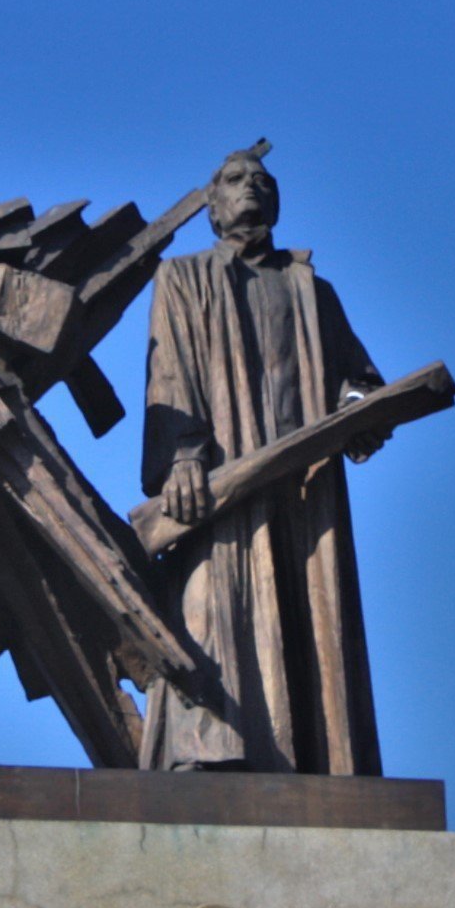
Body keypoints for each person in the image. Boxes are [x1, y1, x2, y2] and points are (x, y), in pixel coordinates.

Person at [139, 141, 388, 774]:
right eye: (234, 178)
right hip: (221, 485)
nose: (251, 185)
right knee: (213, 605)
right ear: (212, 207)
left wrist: (361, 410)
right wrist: (185, 458)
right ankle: (210, 750)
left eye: (260, 179)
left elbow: (357, 378)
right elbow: (169, 372)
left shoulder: (311, 288)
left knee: (309, 616)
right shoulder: (184, 277)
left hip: (304, 491)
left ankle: (313, 760)